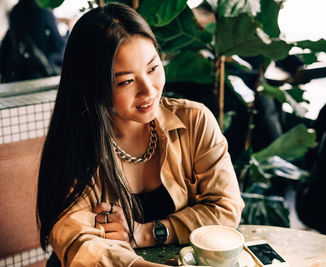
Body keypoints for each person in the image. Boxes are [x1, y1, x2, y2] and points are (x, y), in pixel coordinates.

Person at [36, 2, 244, 266]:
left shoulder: (194, 121)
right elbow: (82, 246)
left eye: (153, 68)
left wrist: (144, 232)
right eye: (125, 81)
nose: (148, 90)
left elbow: (225, 209)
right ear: (92, 86)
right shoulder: (74, 145)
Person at [0, 0, 67, 83]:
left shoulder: (15, 10)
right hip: (42, 73)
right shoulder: (44, 10)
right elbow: (58, 45)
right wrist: (68, 33)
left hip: (18, 73)